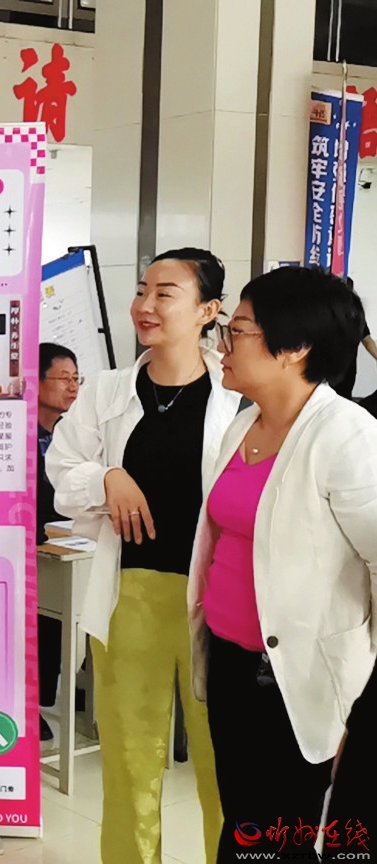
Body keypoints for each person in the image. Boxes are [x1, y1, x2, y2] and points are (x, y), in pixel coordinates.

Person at [47, 248, 238, 864]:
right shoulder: (107, 390)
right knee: (130, 763)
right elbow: (61, 467)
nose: (145, 305)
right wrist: (106, 476)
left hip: (220, 601)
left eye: (165, 293)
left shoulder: (239, 394)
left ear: (208, 310)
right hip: (129, 596)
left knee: (224, 765)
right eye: (141, 289)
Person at [191, 266, 377, 862]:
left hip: (296, 673)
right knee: (245, 820)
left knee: (280, 834)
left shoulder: (346, 435)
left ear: (294, 348)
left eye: (239, 329)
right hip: (229, 658)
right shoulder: (243, 422)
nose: (223, 343)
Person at [37, 342, 80, 741]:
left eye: (76, 378)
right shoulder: (16, 435)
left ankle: (43, 699)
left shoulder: (68, 435)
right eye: (63, 378)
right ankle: (26, 704)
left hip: (63, 543)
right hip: (27, 548)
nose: (73, 387)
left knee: (57, 624)